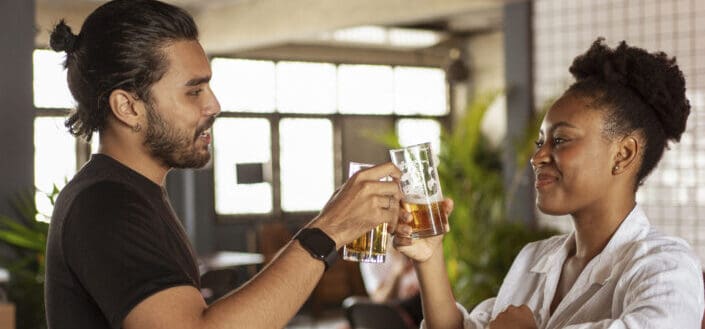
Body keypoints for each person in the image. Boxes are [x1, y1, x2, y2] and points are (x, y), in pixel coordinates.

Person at [44, 1, 404, 328]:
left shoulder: (131, 194)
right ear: (128, 107)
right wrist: (329, 231)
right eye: (194, 91)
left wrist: (331, 224)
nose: (214, 105)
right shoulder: (105, 204)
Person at [394, 38, 704, 328]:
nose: (538, 157)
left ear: (623, 154)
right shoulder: (534, 258)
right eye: (540, 141)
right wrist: (430, 257)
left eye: (560, 140)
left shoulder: (665, 265)